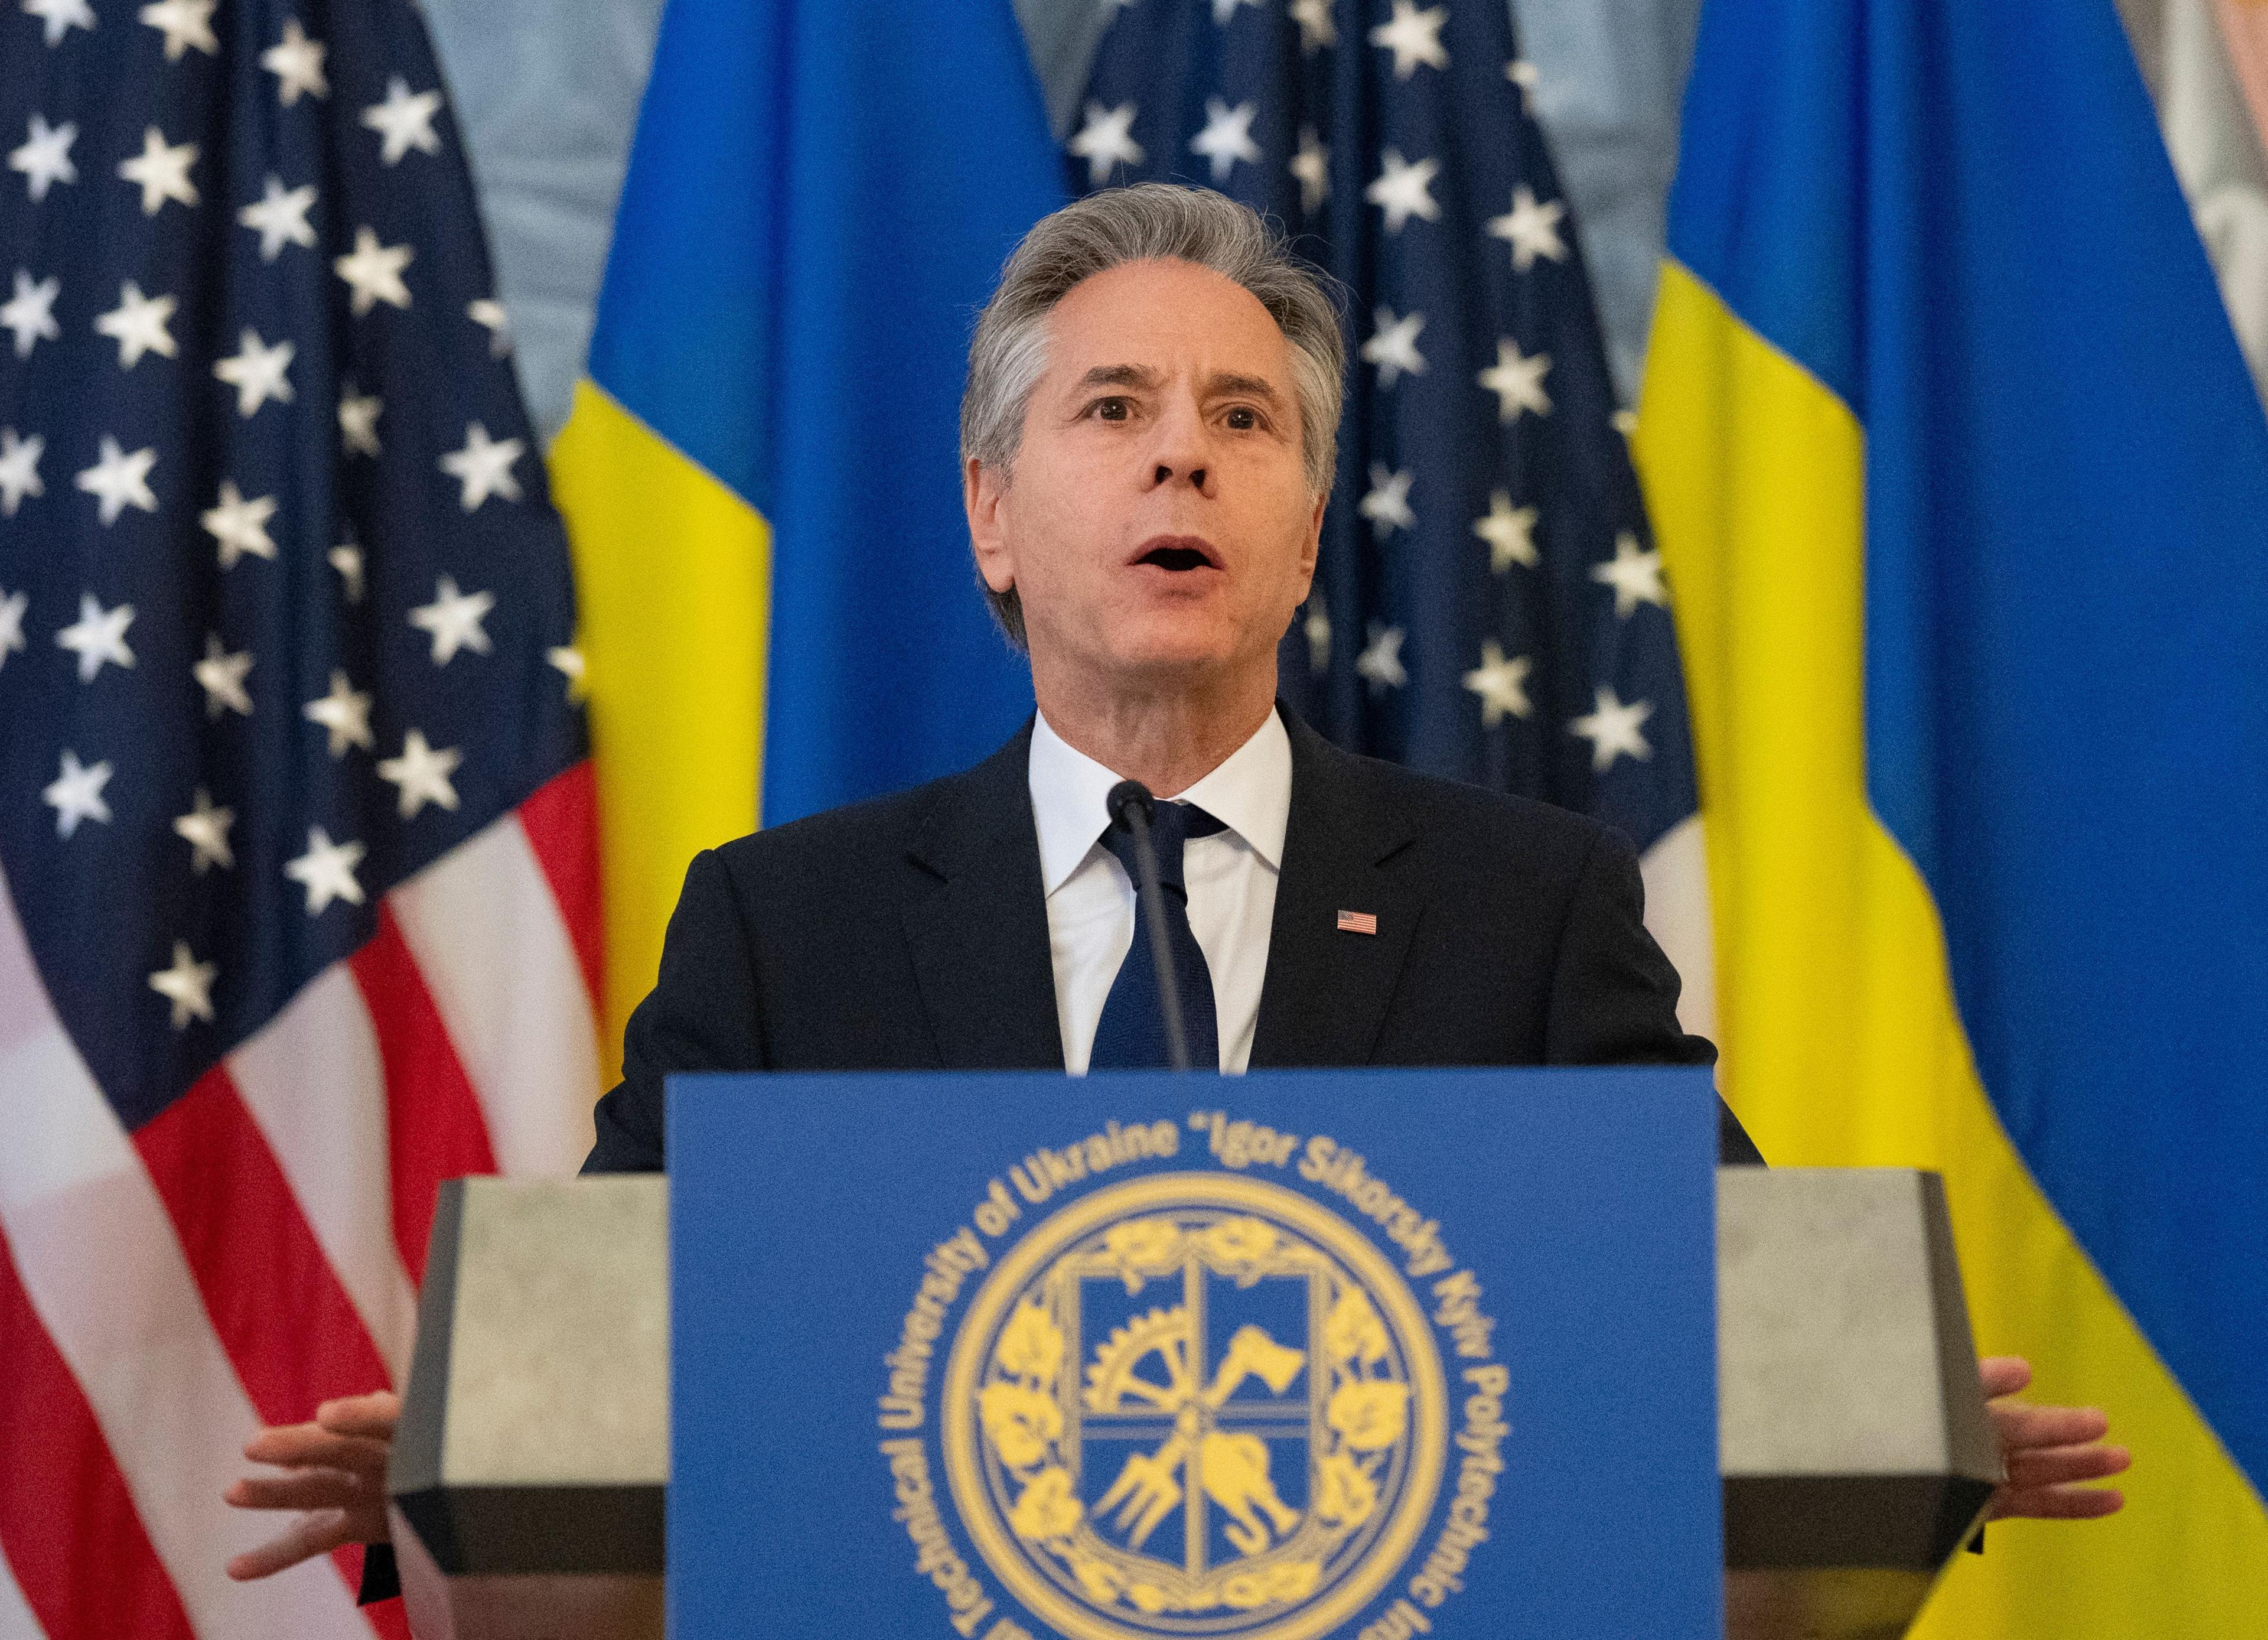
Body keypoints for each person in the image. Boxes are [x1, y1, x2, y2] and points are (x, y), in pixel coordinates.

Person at [223, 185, 2127, 1596]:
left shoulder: (1522, 903)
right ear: (993, 512)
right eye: (1115, 409)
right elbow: (625, 1357)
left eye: (1244, 419)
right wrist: (478, 1449)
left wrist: (1891, 1434)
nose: (1181, 456)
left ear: (1306, 531)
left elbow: (1720, 1322)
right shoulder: (783, 927)